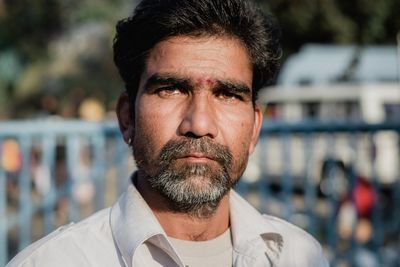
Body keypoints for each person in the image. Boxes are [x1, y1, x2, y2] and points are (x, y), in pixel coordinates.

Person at [7, 0, 329, 266]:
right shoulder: (55, 261)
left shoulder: (298, 255)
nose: (200, 124)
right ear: (127, 118)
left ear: (255, 126)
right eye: (172, 89)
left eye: (228, 95)